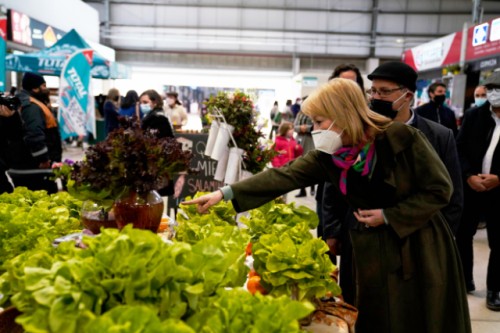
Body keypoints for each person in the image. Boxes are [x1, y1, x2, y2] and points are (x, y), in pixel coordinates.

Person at [184, 78, 471, 333]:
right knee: (375, 316)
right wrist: (226, 194)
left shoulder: (401, 138)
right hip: (370, 251)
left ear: (342, 115)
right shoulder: (329, 153)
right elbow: (284, 176)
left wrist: (389, 215)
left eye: (320, 121)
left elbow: (439, 189)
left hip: (416, 244)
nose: (315, 129)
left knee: (415, 315)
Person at [325, 61, 464, 305]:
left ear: (407, 95)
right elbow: (335, 185)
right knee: (359, 306)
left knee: (409, 309)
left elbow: (451, 197)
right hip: (361, 239)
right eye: (373, 91)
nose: (376, 97)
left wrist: (437, 242)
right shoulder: (359, 132)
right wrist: (333, 230)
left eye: (384, 91)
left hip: (416, 241)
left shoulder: (439, 136)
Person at [455, 70, 500, 310]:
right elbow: (459, 148)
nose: (493, 93)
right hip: (472, 187)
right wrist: (468, 176)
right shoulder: (474, 116)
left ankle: (495, 289)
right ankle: (464, 280)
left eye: (498, 89)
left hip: (498, 191)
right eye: (490, 88)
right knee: (463, 234)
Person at [320, 63, 366, 271]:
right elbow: (327, 183)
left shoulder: (370, 126)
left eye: (353, 84)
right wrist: (331, 230)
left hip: (364, 220)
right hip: (334, 206)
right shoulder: (329, 125)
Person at [6, 72, 62, 193]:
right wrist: (43, 158)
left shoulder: (25, 102)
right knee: (44, 204)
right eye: (43, 85)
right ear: (35, 88)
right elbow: (34, 134)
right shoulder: (32, 106)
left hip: (25, 167)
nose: (46, 89)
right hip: (34, 169)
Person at [140, 89, 175, 196]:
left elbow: (167, 142)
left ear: (154, 102)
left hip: (157, 165)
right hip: (151, 165)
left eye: (145, 102)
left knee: (156, 197)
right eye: (141, 103)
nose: (142, 105)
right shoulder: (149, 118)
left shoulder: (160, 119)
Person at [293, 97, 315, 198]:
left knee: (310, 165)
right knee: (300, 165)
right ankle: (302, 190)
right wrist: (301, 128)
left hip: (310, 141)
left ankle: (312, 188)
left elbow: (315, 127)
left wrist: (307, 128)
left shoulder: (315, 113)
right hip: (299, 141)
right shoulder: (300, 114)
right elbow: (295, 126)